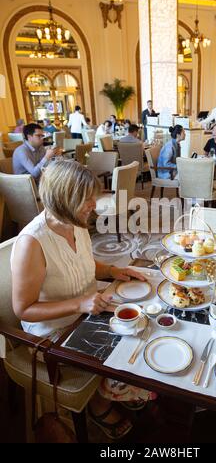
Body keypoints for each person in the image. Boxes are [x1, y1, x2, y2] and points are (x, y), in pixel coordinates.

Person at [11, 160, 155, 440]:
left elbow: (83, 263)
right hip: (54, 335)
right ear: (63, 199)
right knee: (133, 345)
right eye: (86, 198)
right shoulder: (32, 243)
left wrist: (113, 270)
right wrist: (80, 304)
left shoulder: (74, 223)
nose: (94, 203)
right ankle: (100, 406)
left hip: (88, 315)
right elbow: (23, 309)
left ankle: (110, 394)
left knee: (145, 321)